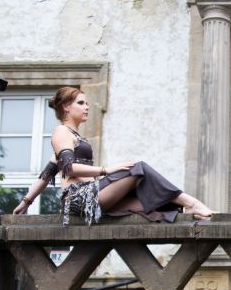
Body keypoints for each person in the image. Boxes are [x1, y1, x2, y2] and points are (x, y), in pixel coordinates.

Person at [45, 86, 214, 224]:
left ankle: (191, 212)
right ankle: (192, 203)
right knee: (137, 168)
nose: (87, 107)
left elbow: (49, 170)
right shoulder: (61, 131)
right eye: (81, 103)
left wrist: (26, 202)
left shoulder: (74, 137)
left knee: (151, 202)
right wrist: (106, 170)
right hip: (80, 199)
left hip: (92, 199)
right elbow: (68, 168)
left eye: (87, 103)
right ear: (66, 107)